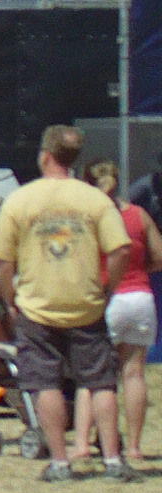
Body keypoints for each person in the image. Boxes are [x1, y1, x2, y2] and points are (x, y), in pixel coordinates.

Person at [0, 125, 133, 484]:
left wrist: (10, 297)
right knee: (100, 382)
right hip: (86, 303)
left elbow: (0, 259)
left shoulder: (20, 200)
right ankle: (113, 461)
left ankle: (61, 462)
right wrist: (107, 288)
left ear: (45, 155)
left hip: (37, 305)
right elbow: (121, 249)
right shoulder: (94, 199)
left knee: (44, 382)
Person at [75, 162, 162, 460]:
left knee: (92, 377)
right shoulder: (139, 215)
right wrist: (141, 269)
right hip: (140, 297)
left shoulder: (90, 217)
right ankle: (135, 447)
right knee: (134, 373)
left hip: (107, 297)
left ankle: (83, 443)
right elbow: (160, 256)